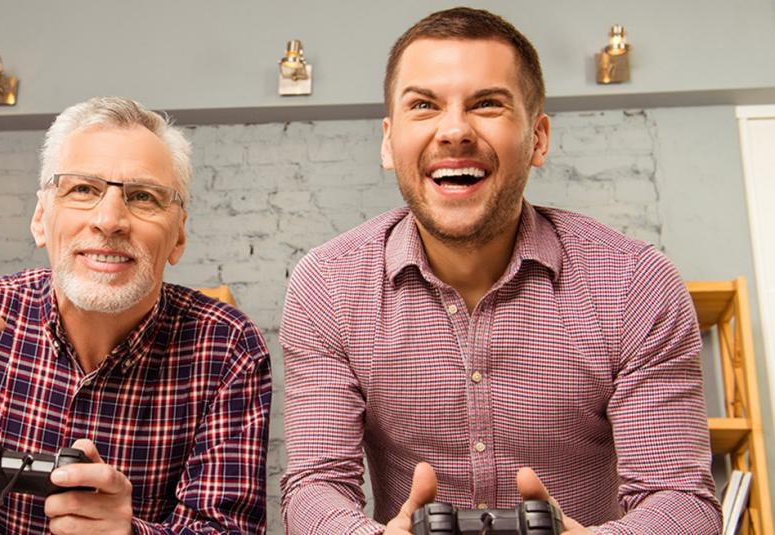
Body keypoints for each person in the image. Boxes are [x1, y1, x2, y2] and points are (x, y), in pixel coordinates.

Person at [280, 7, 720, 534]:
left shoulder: (635, 284)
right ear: (387, 141)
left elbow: (680, 498)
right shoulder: (327, 285)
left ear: (537, 138)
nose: (454, 130)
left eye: (487, 103)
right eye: (424, 105)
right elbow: (315, 485)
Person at [0, 97, 271, 534]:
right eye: (83, 190)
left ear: (178, 236)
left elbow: (228, 528)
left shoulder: (227, 346)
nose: (109, 220)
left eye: (143, 197)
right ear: (40, 218)